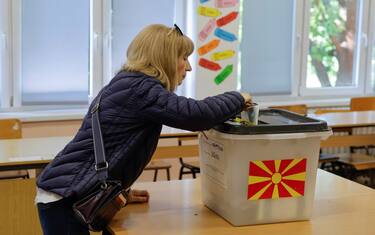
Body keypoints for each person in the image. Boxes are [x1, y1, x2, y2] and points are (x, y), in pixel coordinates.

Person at [35, 24, 252, 235]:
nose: (188, 67)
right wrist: (237, 98)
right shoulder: (141, 89)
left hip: (69, 192)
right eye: (184, 58)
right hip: (65, 197)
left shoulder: (129, 84)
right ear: (164, 57)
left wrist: (121, 192)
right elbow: (196, 115)